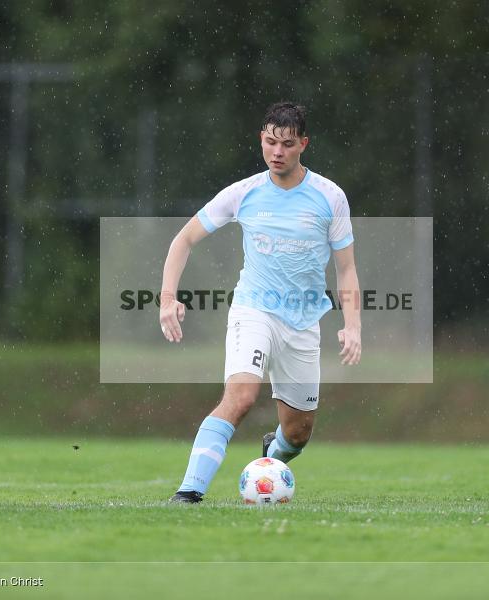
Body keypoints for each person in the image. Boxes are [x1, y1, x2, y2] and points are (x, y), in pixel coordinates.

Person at [159, 102, 361, 503]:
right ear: (261, 141)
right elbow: (183, 239)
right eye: (270, 142)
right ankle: (189, 492)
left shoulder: (329, 197)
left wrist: (352, 324)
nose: (277, 152)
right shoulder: (244, 193)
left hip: (303, 323)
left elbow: (347, 268)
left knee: (299, 433)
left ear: (303, 144)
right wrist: (167, 298)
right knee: (242, 396)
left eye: (287, 144)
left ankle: (272, 452)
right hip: (254, 310)